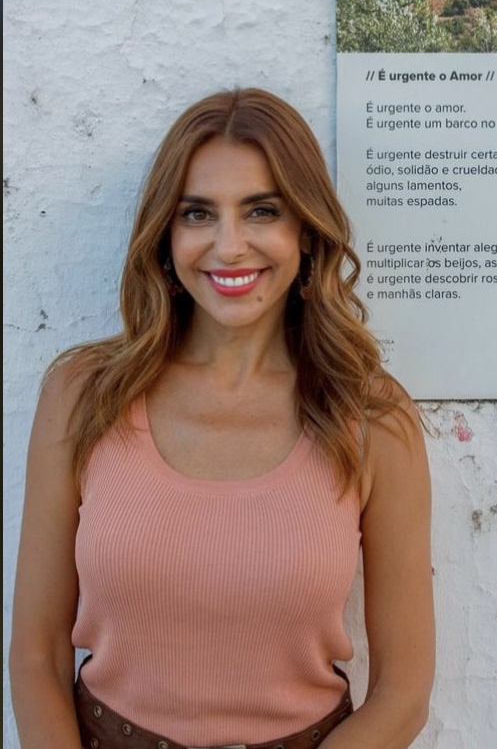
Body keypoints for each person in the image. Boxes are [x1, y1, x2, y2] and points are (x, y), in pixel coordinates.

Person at [10, 88, 435, 749]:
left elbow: (403, 695)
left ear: (306, 231)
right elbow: (36, 653)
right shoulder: (83, 395)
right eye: (198, 213)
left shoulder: (373, 417)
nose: (229, 245)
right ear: (166, 234)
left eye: (262, 210)